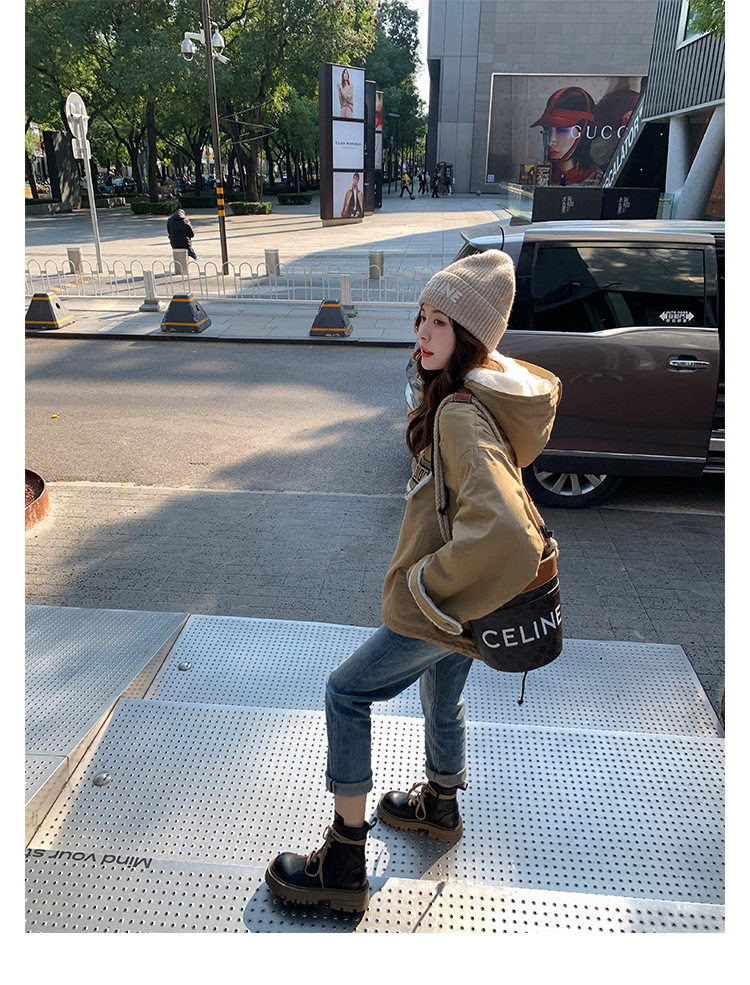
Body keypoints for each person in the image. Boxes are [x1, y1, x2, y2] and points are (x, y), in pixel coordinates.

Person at [265, 250, 562, 912]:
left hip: (444, 603)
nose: (423, 333)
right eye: (422, 317)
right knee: (442, 693)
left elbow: (508, 535)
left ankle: (344, 858)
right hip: (472, 606)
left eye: (441, 322)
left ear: (471, 335)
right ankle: (441, 803)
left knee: (345, 692)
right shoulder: (484, 396)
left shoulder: (458, 411)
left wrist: (428, 583)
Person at [530, 85, 599, 185]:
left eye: (561, 130)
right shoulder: (538, 176)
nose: (550, 141)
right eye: (547, 130)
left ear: (583, 131)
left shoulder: (600, 180)